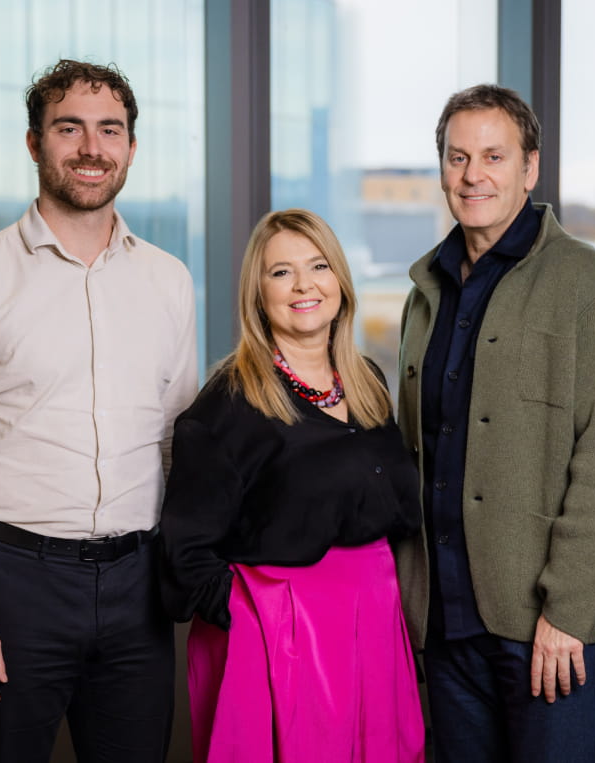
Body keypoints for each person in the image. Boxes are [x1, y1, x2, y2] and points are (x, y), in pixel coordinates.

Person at [0, 59, 197, 762]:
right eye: (69, 128)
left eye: (110, 130)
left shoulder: (170, 281)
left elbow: (177, 444)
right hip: (15, 587)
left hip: (139, 591)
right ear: (36, 143)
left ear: (132, 146)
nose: (91, 148)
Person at [395, 84, 595, 762]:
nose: (473, 174)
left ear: (530, 168)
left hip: (544, 623)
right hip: (446, 621)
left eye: (494, 156)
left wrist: (566, 611)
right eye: (457, 157)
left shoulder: (586, 284)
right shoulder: (426, 292)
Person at [158, 209, 425, 762]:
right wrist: (255, 623)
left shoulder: (368, 381)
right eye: (281, 272)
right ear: (258, 293)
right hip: (285, 630)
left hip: (375, 617)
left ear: (340, 282)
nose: (304, 285)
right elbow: (185, 550)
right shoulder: (227, 402)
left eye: (318, 266)